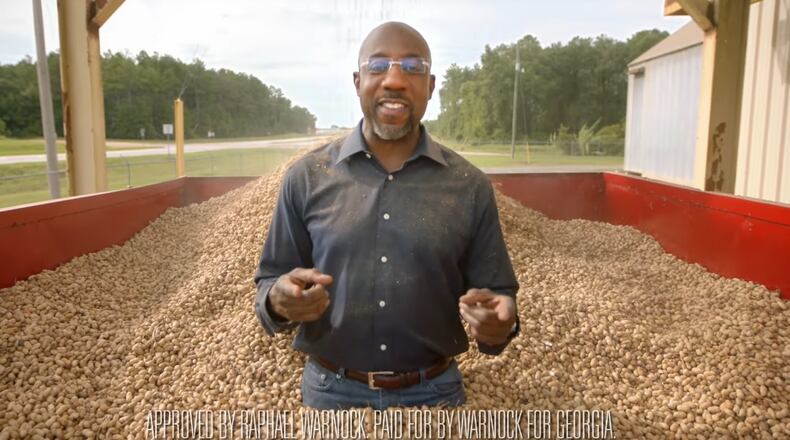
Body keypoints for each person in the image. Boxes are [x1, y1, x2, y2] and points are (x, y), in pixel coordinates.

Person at [253, 21, 519, 410]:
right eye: (378, 67)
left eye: (413, 67)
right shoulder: (307, 178)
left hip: (435, 394)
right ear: (358, 81)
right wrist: (278, 301)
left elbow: (498, 295)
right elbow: (271, 280)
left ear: (431, 86)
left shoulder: (469, 186)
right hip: (331, 393)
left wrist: (499, 325)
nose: (394, 79)